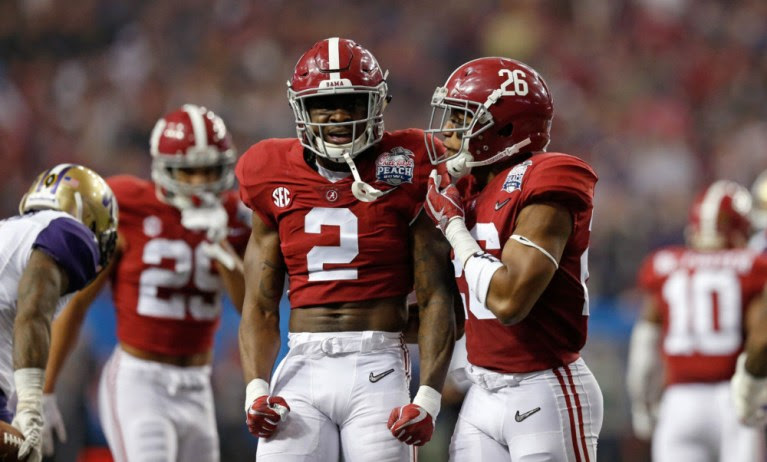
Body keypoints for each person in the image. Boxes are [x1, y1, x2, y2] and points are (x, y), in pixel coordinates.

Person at [235, 37, 456, 461]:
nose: (339, 115)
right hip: (301, 365)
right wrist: (256, 389)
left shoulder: (411, 162)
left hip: (378, 364)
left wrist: (428, 396)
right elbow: (260, 304)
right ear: (301, 109)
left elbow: (435, 297)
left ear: (376, 104)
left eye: (352, 102)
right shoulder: (268, 170)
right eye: (325, 104)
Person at [43, 104, 249, 462]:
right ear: (163, 169)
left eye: (210, 170)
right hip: (140, 382)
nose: (201, 182)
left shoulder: (233, 216)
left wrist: (222, 250)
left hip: (198, 383)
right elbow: (77, 304)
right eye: (189, 172)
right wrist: (44, 392)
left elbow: (252, 309)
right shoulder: (129, 205)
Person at [422, 57, 602, 461]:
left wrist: (453, 228)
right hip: (481, 393)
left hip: (545, 387)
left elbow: (509, 301)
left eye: (463, 117)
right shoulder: (465, 188)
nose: (449, 130)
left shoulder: (548, 177)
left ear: (504, 127)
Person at [628, 180, 767, 461]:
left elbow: (644, 349)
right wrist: (752, 394)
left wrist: (643, 403)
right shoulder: (750, 266)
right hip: (732, 398)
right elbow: (761, 340)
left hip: (679, 402)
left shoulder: (665, 264)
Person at [0, 163, 117, 462]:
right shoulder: (68, 233)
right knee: (23, 451)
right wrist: (29, 406)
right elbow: (34, 307)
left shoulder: (13, 232)